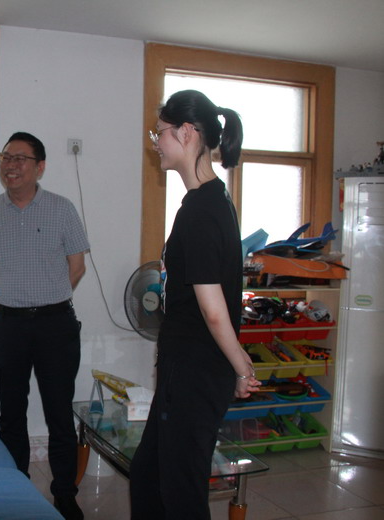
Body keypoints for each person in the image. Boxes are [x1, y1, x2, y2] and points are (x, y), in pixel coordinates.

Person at [129, 90, 261, 520]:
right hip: (187, 366)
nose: (156, 142)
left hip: (194, 371)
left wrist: (240, 368)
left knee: (180, 492)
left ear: (186, 132)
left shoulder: (201, 210)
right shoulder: (208, 201)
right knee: (148, 476)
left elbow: (214, 309)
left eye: (160, 133)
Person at [0, 131, 90, 520]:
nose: (11, 165)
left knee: (59, 413)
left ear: (40, 167)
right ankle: (17, 488)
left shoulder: (61, 209)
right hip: (7, 325)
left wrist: (47, 299)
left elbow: (77, 266)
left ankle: (65, 494)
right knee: (11, 412)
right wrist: (16, 297)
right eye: (6, 157)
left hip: (56, 325)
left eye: (20, 159)